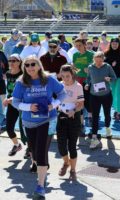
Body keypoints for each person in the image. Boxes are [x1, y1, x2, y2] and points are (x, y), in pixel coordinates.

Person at [12, 55, 66, 199]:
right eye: (27, 65)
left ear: (39, 65)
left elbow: (62, 93)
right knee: (34, 153)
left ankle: (40, 186)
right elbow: (15, 102)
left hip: (48, 120)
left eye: (33, 64)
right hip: (29, 122)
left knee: (41, 151)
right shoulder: (21, 82)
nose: (30, 67)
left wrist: (53, 105)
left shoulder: (49, 79)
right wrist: (28, 107)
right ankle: (40, 164)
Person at [57, 65, 84, 180]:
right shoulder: (59, 85)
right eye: (63, 76)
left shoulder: (78, 87)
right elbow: (55, 100)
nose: (65, 79)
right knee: (61, 146)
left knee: (72, 146)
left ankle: (73, 170)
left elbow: (81, 104)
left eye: (67, 76)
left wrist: (73, 110)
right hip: (62, 116)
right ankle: (66, 162)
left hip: (74, 117)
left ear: (72, 75)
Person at [85, 51, 116, 149]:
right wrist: (87, 84)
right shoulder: (90, 67)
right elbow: (89, 78)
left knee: (107, 113)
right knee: (95, 116)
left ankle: (107, 128)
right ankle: (94, 138)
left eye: (100, 61)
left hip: (106, 95)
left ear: (103, 59)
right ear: (93, 59)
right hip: (94, 95)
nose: (98, 63)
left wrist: (109, 79)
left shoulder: (107, 67)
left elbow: (114, 78)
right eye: (96, 61)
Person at [3, 54, 26, 157]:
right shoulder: (8, 73)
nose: (11, 62)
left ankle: (30, 149)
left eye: (14, 60)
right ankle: (17, 145)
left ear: (19, 62)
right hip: (11, 105)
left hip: (22, 105)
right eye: (10, 60)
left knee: (25, 129)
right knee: (9, 128)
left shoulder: (24, 75)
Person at [73, 38, 94, 129]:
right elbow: (74, 67)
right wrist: (74, 69)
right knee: (79, 101)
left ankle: (90, 118)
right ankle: (81, 124)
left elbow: (95, 66)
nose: (78, 47)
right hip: (77, 81)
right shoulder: (75, 55)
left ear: (84, 45)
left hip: (88, 80)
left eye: (80, 45)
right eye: (76, 45)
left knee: (88, 101)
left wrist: (89, 69)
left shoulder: (91, 54)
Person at [104, 37, 120, 121]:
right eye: (113, 43)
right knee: (113, 94)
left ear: (119, 44)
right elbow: (104, 64)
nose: (114, 45)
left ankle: (119, 112)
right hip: (111, 77)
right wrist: (111, 64)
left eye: (116, 43)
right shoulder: (106, 53)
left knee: (118, 94)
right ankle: (115, 110)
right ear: (110, 44)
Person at [0, 48, 8, 130]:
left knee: (3, 99)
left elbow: (6, 64)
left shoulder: (1, 53)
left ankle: (3, 118)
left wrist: (5, 73)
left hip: (1, 81)